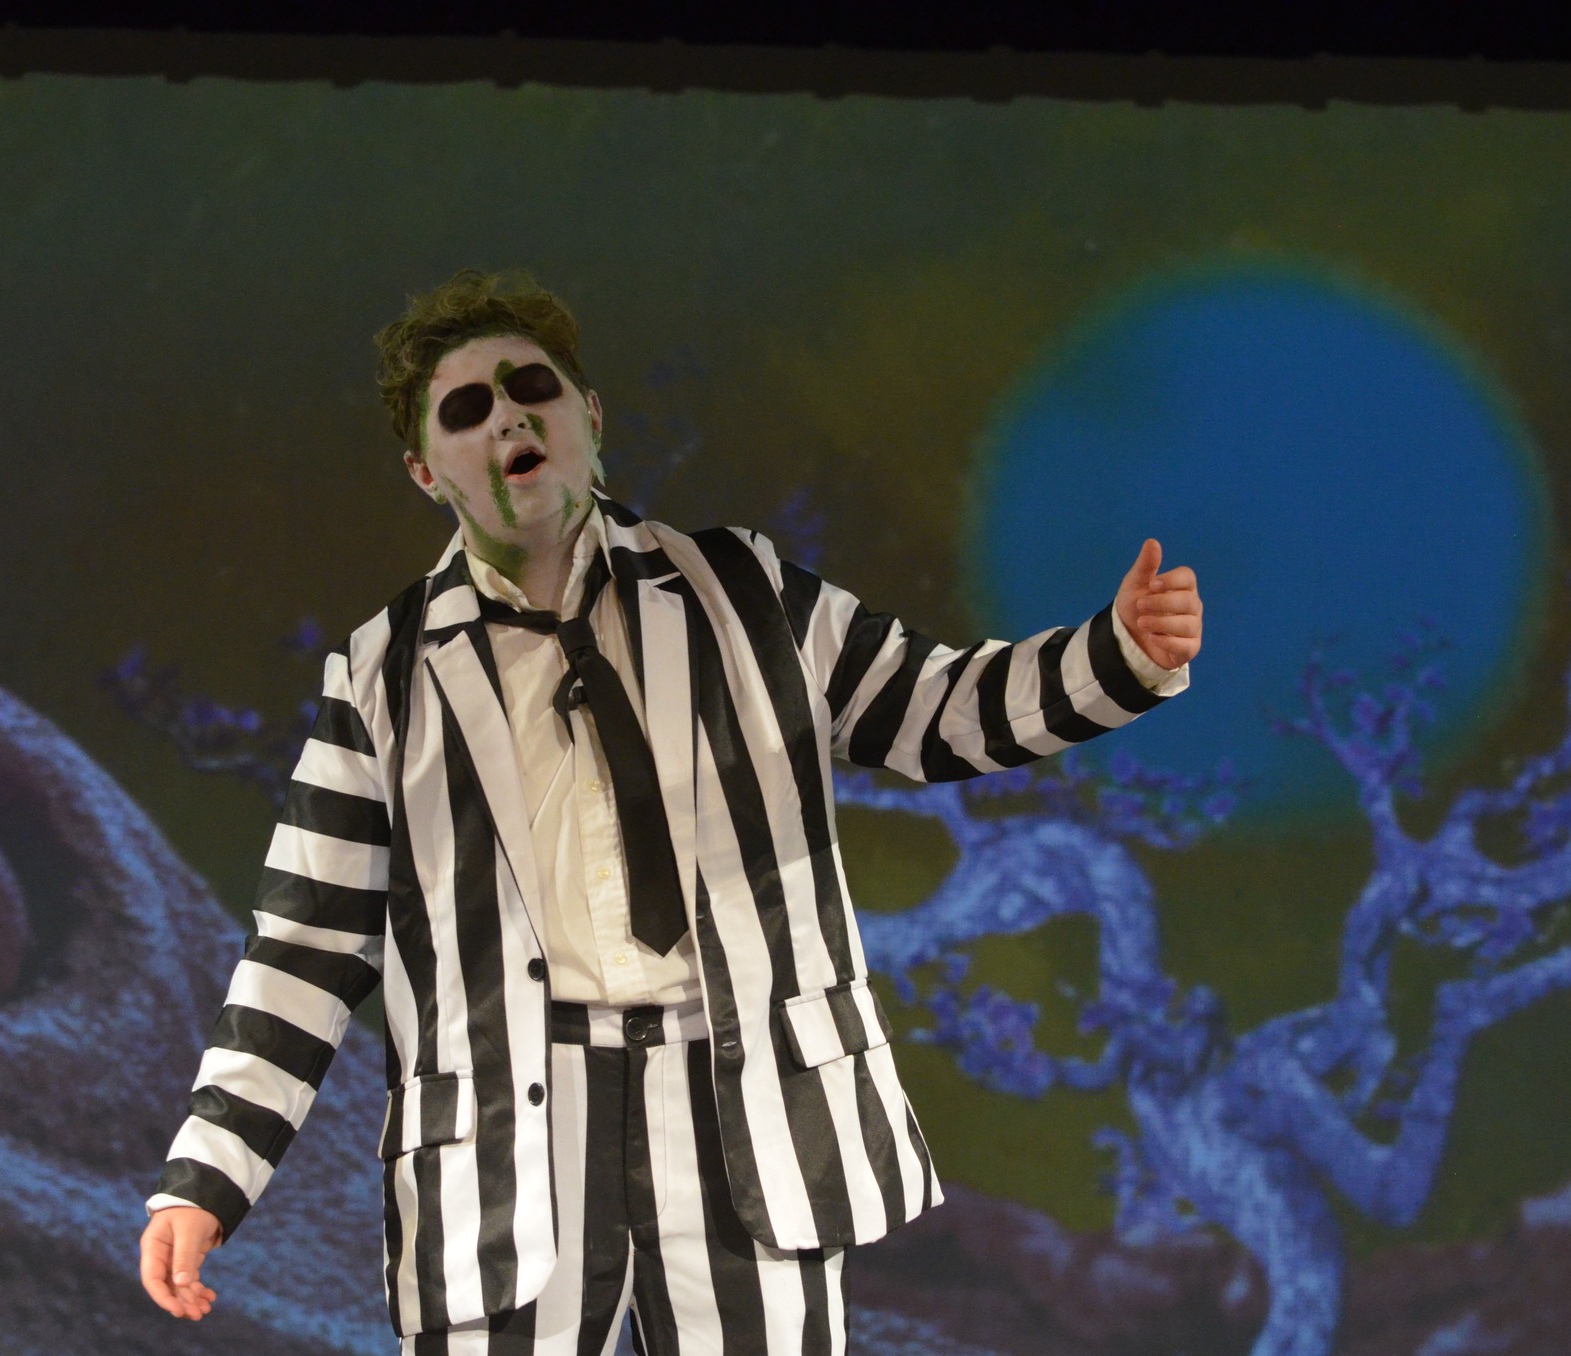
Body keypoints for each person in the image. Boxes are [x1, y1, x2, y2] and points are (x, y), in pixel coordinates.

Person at [137, 268, 1203, 1354]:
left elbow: (937, 711)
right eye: (465, 410)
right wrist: (208, 1173)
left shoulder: (742, 593)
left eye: (532, 388)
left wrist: (1114, 656)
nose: (508, 418)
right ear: (426, 471)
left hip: (742, 1111)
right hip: (510, 1142)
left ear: (590, 418)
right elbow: (306, 946)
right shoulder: (383, 677)